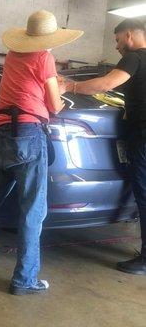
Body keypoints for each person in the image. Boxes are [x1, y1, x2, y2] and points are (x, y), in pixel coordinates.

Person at [0, 10, 83, 295]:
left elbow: (26, 82)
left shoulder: (13, 55)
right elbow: (55, 105)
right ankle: (24, 280)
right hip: (30, 136)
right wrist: (60, 88)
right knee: (32, 211)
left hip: (1, 134)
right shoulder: (44, 57)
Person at [59, 18, 146, 275]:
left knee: (143, 194)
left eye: (118, 40)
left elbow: (108, 84)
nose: (117, 46)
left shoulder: (134, 58)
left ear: (129, 35)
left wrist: (71, 86)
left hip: (143, 136)